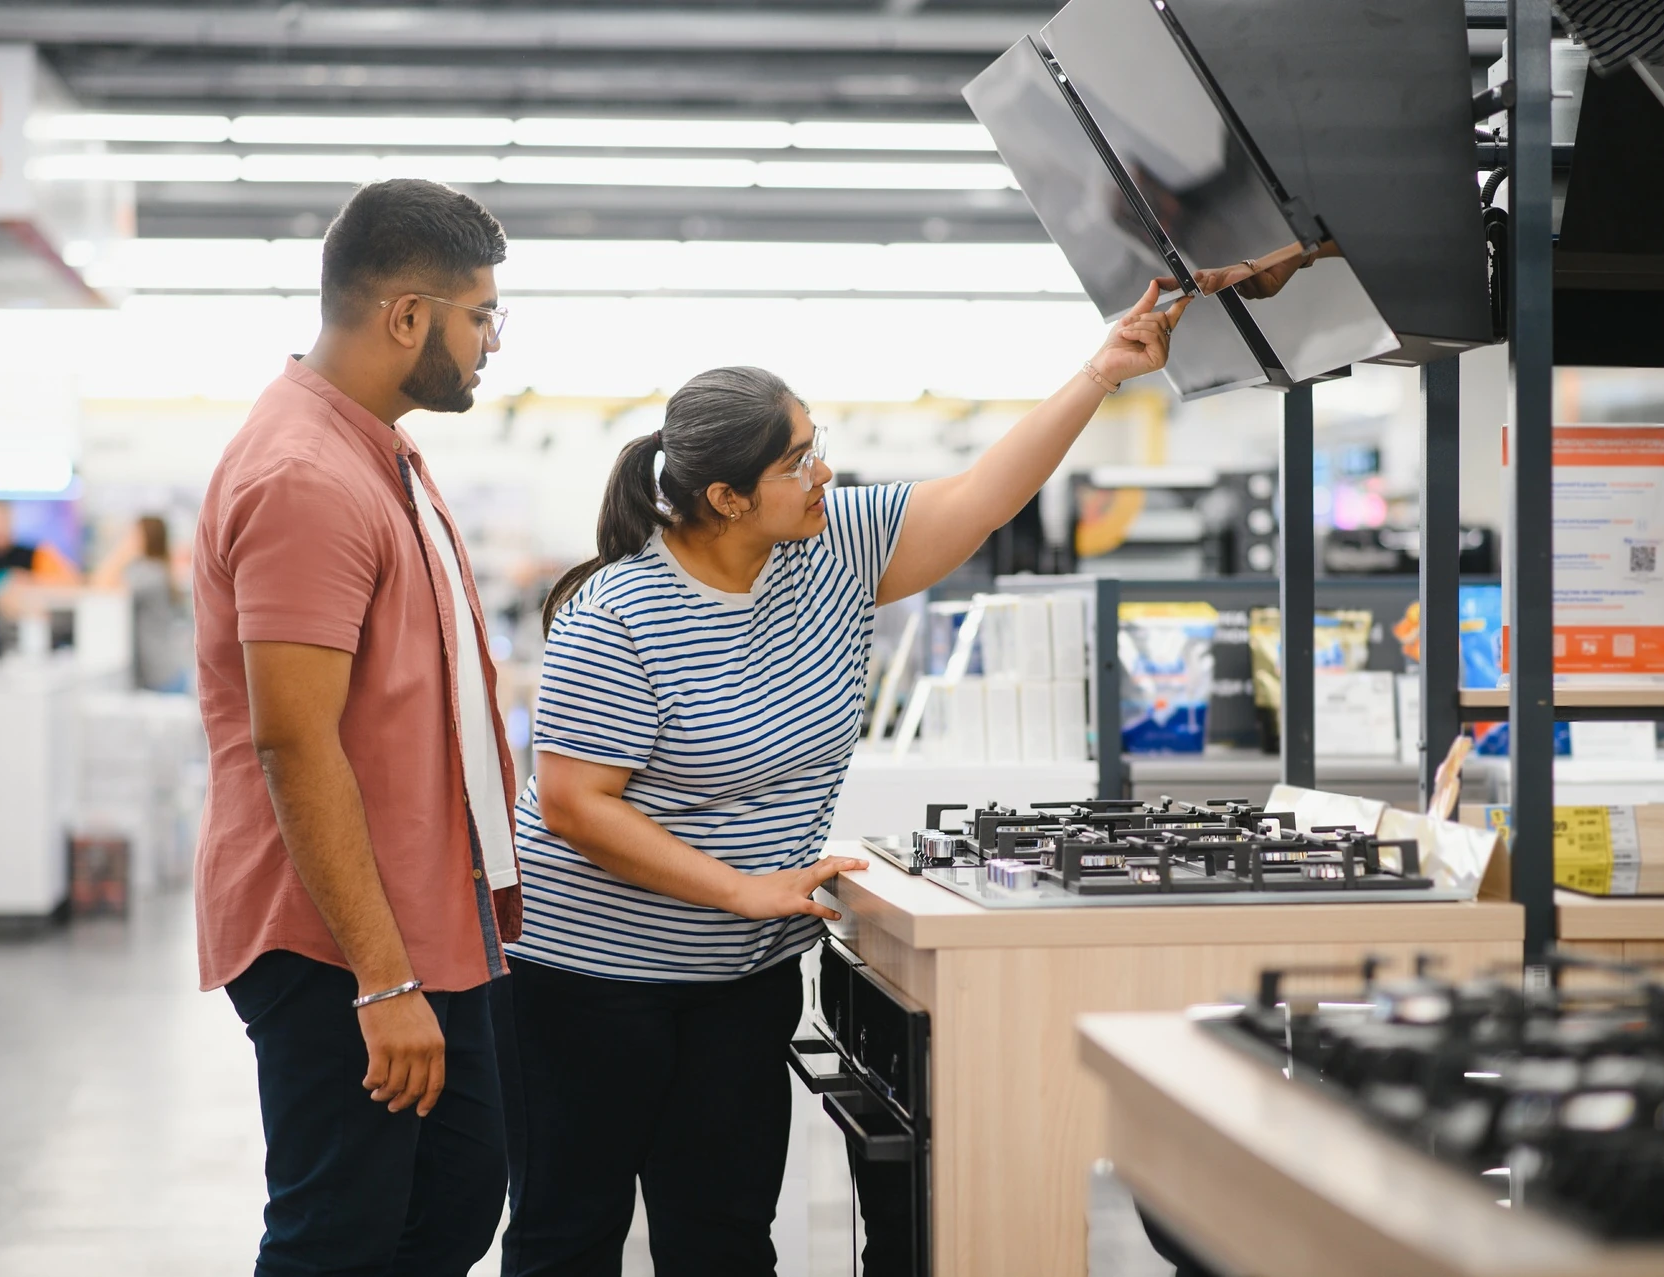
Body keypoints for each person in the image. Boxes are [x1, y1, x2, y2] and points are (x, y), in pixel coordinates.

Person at [495, 280, 1188, 1275]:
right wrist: (744, 888)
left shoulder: (832, 550)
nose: (826, 469)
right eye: (798, 459)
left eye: (816, 444)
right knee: (570, 1231)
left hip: (742, 973)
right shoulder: (618, 615)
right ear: (728, 497)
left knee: (726, 1235)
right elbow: (572, 805)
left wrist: (1098, 375)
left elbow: (981, 499)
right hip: (588, 977)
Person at [190, 178, 520, 1277]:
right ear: (408, 317)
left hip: (421, 908)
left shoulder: (376, 448)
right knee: (341, 1232)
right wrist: (381, 978)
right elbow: (292, 737)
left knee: (455, 1196)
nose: (490, 344)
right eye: (482, 317)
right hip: (333, 929)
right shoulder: (305, 475)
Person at [90, 515, 192, 692]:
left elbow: (100, 583)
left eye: (133, 535)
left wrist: (123, 552)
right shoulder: (157, 569)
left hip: (160, 673)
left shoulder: (149, 573)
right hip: (165, 669)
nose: (129, 539)